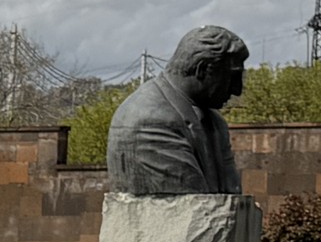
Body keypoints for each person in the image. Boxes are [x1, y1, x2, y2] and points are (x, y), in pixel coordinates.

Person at [101, 27, 248, 197]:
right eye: (232, 77)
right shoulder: (150, 121)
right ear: (202, 70)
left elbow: (233, 195)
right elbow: (191, 202)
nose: (237, 90)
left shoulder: (215, 122)